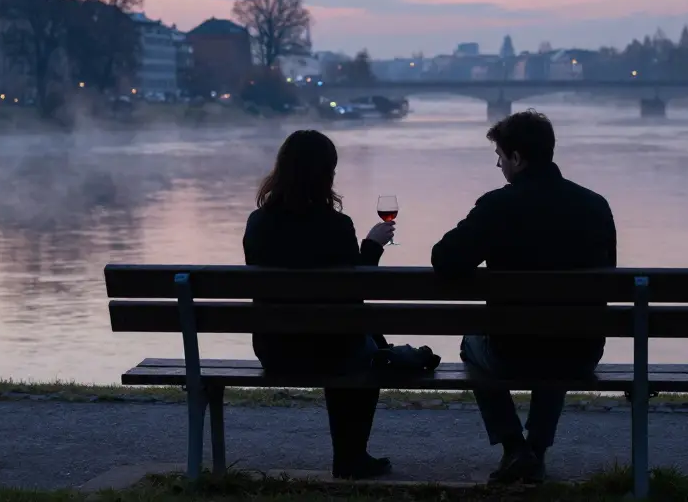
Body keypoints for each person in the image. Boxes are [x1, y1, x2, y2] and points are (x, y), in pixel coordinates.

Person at [430, 109, 617, 484]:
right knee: (560, 334)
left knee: (472, 345)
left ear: (517, 158)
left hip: (511, 353)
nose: (499, 165)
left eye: (500, 157)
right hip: (581, 352)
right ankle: (538, 449)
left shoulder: (499, 205)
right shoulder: (594, 205)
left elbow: (445, 259)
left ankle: (515, 447)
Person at [242, 129, 396, 480]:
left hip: (274, 348)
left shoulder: (258, 223)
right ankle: (351, 456)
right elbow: (354, 292)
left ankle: (351, 456)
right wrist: (371, 246)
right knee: (367, 350)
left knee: (355, 338)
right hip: (333, 349)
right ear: (326, 174)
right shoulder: (337, 226)